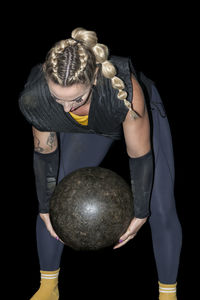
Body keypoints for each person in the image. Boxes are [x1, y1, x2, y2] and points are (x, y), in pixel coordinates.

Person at [18, 27, 182, 300]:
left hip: (123, 110)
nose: (67, 109)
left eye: (76, 99)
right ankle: (48, 286)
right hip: (93, 126)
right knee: (54, 198)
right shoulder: (36, 98)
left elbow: (140, 157)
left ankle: (168, 293)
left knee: (160, 204)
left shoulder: (126, 92)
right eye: (58, 99)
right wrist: (45, 206)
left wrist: (140, 213)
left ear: (94, 78)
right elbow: (45, 155)